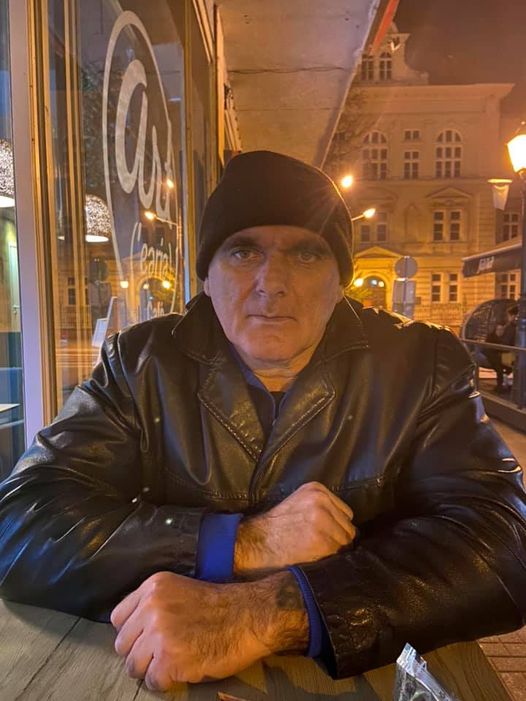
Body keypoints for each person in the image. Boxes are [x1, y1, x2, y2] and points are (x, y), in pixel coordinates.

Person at [0, 151, 525, 692]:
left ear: (339, 281)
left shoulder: (419, 365)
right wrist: (242, 543)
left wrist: (275, 610)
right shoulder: (140, 365)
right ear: (207, 277)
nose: (271, 282)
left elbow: (506, 541)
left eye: (306, 253)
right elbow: (20, 523)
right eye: (243, 251)